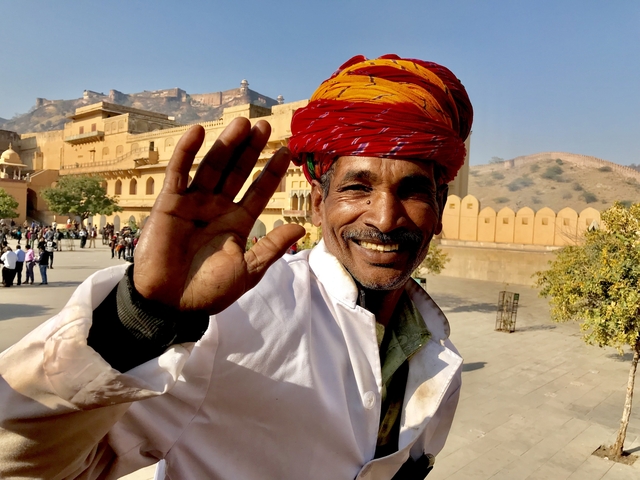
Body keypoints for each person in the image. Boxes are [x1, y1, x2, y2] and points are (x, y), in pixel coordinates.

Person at [0, 55, 472, 479]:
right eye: (356, 189)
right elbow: (26, 464)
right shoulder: (232, 320)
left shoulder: (433, 345)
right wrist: (139, 319)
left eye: (412, 191)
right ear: (316, 206)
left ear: (440, 208)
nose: (385, 218)